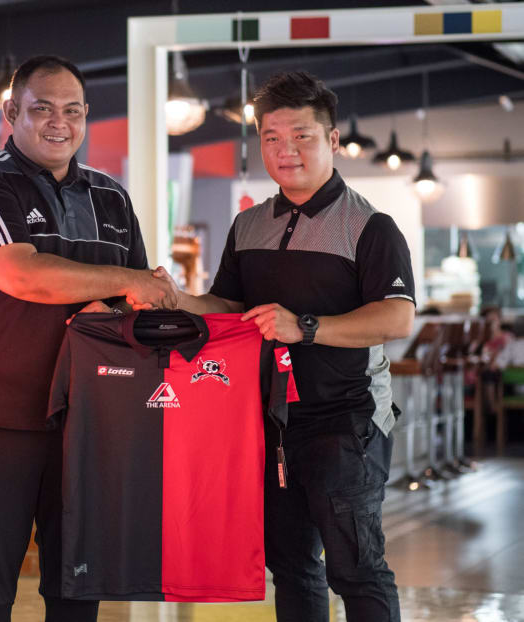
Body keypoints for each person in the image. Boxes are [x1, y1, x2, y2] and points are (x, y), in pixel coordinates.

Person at [149, 71, 415, 622]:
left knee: (356, 569)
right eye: (271, 137)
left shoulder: (369, 226)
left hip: (347, 422)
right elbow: (227, 306)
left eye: (301, 136)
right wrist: (174, 298)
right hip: (269, 424)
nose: (285, 150)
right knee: (292, 566)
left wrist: (307, 327)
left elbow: (397, 316)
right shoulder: (248, 225)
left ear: (333, 140)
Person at [0, 55, 175, 622]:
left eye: (72, 111)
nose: (57, 122)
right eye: (41, 109)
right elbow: (22, 274)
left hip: (89, 421)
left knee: (77, 592)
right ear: (12, 112)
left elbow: (133, 300)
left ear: (87, 116)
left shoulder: (111, 197)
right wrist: (126, 282)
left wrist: (126, 297)